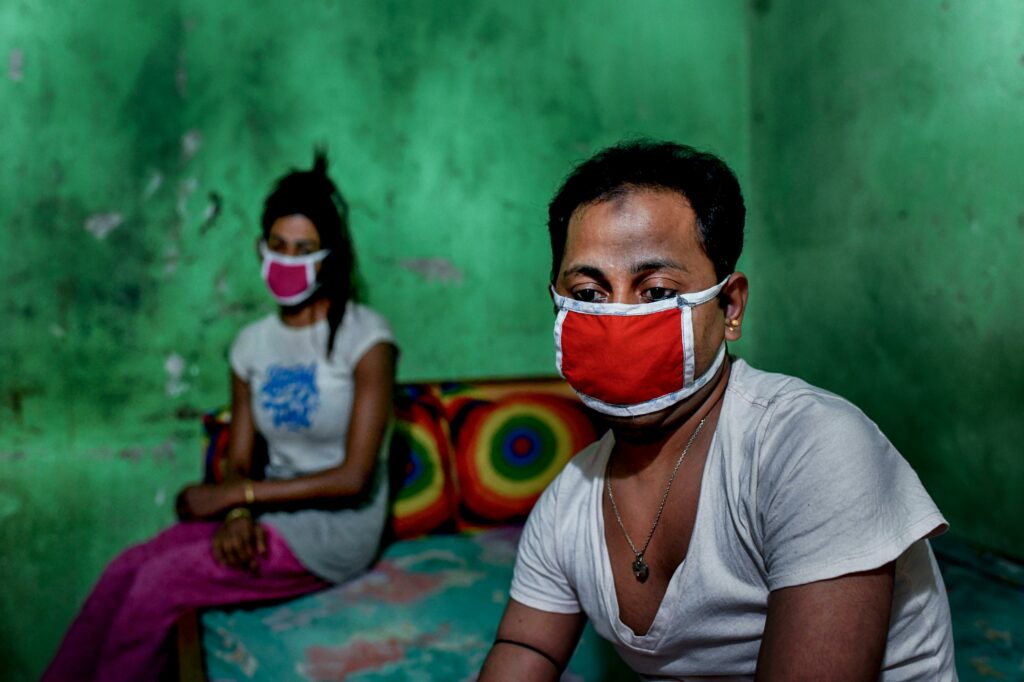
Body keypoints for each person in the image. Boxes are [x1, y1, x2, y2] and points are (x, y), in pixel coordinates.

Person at [480, 141, 956, 681]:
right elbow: (527, 647)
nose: (617, 317)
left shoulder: (813, 447)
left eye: (655, 289)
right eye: (588, 294)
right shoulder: (568, 501)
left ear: (729, 307)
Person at [44, 152, 397, 681]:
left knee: (158, 587)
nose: (286, 260)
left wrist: (239, 497)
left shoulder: (366, 339)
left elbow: (354, 478)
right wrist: (236, 516)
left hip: (333, 530)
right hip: (265, 511)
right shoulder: (251, 344)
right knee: (124, 572)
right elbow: (239, 457)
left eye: (303, 250)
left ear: (329, 257)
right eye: (277, 247)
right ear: (260, 248)